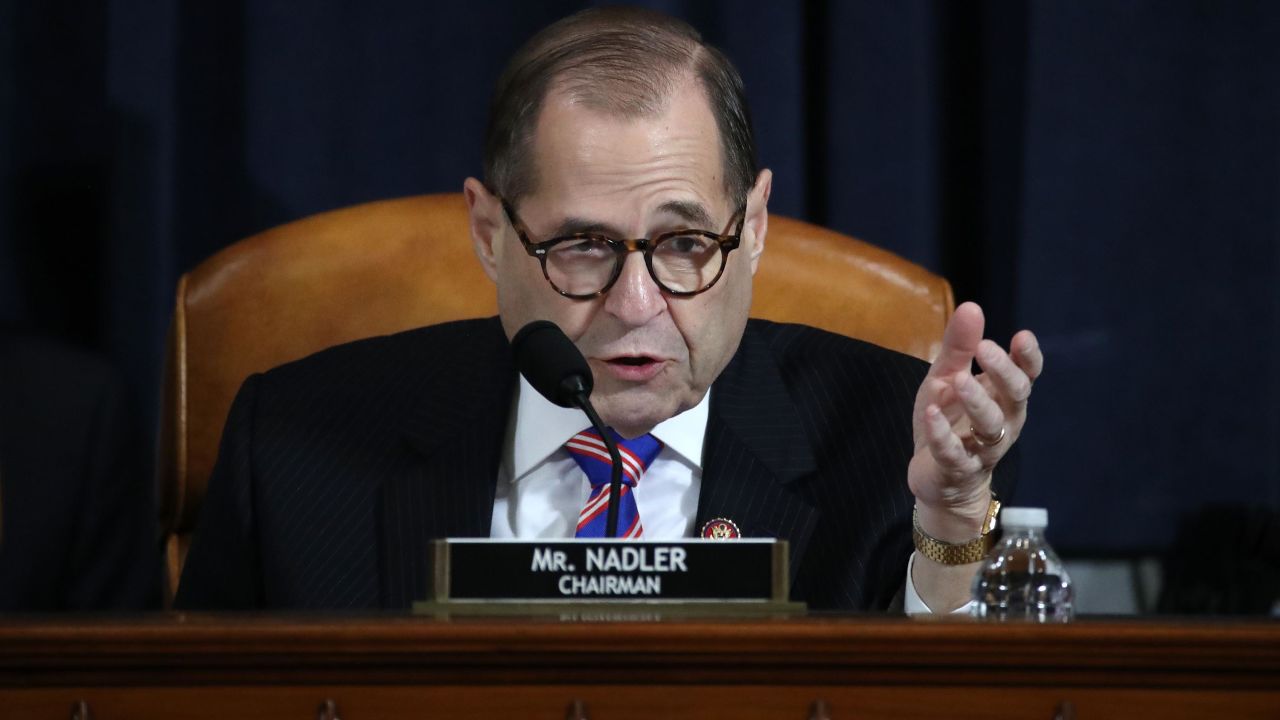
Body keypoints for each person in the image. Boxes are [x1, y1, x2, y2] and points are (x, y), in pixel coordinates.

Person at [175, 7, 1041, 613]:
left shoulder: (900, 447)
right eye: (582, 246)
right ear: (488, 232)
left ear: (756, 226)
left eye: (684, 245)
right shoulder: (291, 449)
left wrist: (954, 526)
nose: (636, 307)